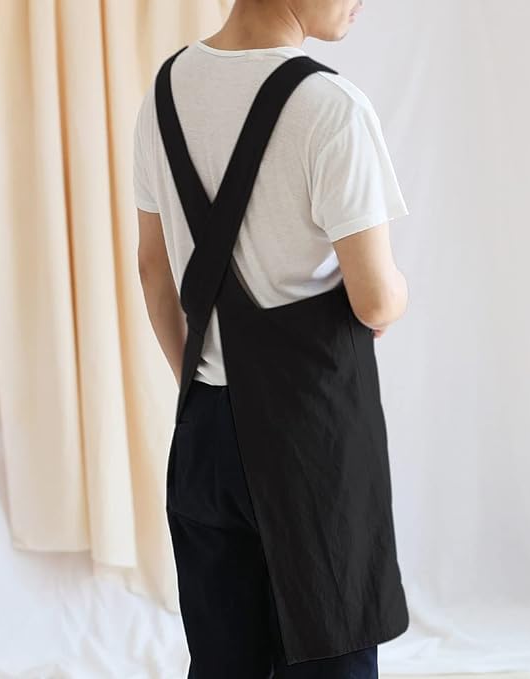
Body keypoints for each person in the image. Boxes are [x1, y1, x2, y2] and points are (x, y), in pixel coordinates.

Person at [134, 1, 410, 676]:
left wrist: (205, 383)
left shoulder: (164, 93)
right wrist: (398, 294)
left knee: (224, 658)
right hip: (309, 438)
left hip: (205, 432)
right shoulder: (330, 107)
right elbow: (374, 298)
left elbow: (152, 269)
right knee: (330, 648)